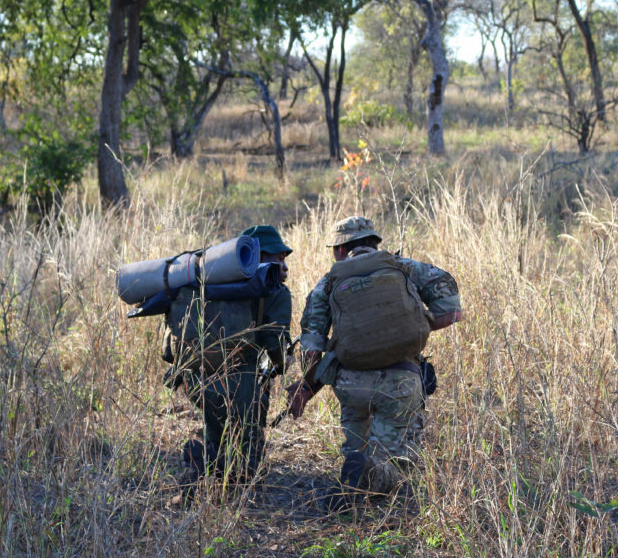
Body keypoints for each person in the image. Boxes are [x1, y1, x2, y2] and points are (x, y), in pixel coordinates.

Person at [284, 216, 461, 510]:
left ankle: (353, 488)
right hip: (400, 382)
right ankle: (372, 479)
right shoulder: (404, 267)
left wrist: (305, 387)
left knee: (357, 448)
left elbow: (312, 346)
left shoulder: (328, 282)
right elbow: (452, 312)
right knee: (396, 460)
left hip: (350, 385)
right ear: (376, 243)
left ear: (340, 251)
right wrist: (411, 324)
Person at [178, 225, 293, 485]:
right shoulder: (275, 291)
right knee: (248, 440)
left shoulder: (211, 283)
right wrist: (281, 365)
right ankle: (238, 478)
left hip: (195, 375)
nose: (283, 265)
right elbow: (274, 342)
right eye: (278, 258)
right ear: (259, 256)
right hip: (240, 380)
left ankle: (206, 466)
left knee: (215, 427)